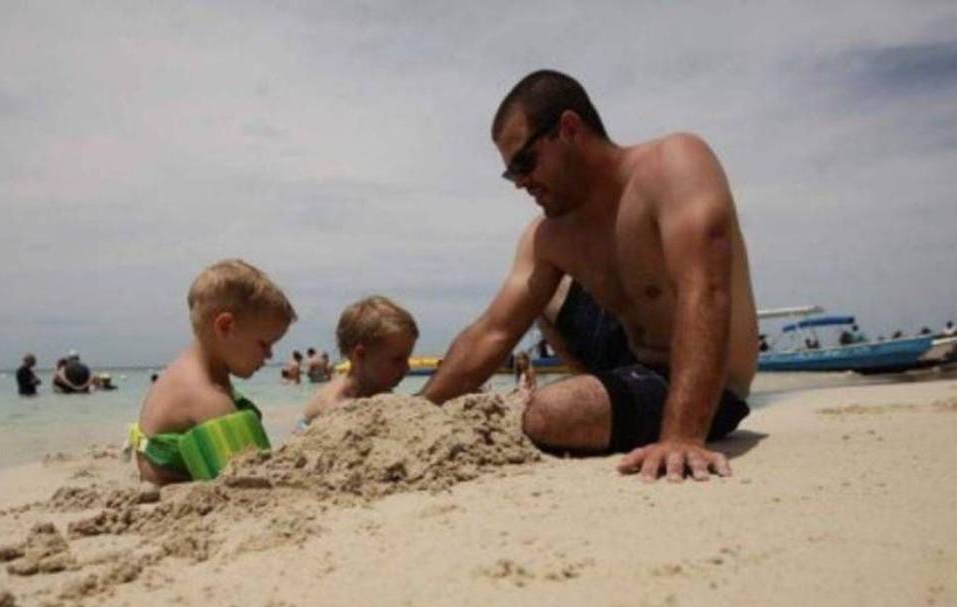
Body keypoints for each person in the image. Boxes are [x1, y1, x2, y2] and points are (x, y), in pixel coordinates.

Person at [419, 70, 757, 482]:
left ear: (569, 129)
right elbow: (492, 332)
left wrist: (682, 437)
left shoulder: (672, 165)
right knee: (543, 292)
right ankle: (604, 394)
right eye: (511, 174)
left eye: (524, 163)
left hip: (710, 381)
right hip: (633, 360)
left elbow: (706, 289)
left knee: (546, 414)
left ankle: (608, 406)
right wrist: (413, 412)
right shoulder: (549, 236)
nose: (520, 183)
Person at [129, 259, 296, 484]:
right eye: (264, 344)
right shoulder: (206, 397)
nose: (269, 356)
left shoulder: (188, 369)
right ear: (225, 327)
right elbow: (249, 480)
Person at [302, 295, 418, 425]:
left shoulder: (376, 389)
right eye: (397, 360)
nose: (407, 368)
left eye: (407, 358)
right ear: (360, 355)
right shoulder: (336, 404)